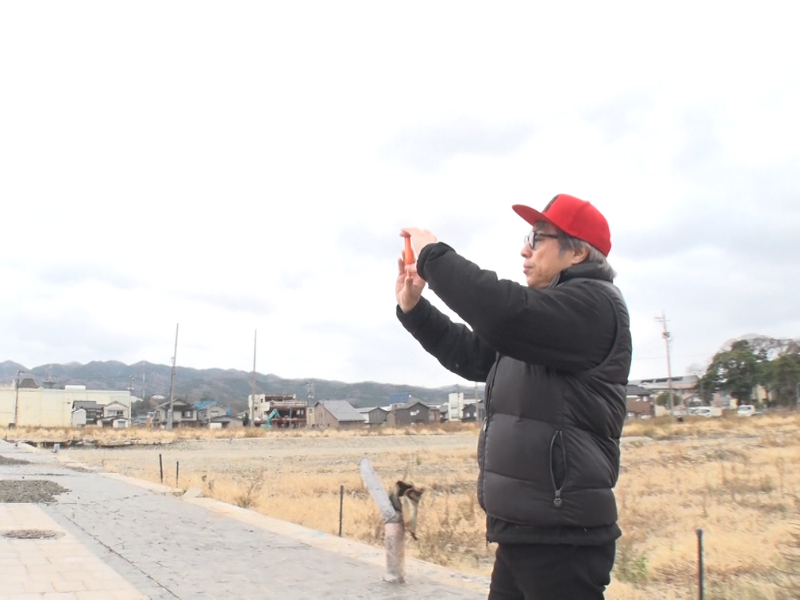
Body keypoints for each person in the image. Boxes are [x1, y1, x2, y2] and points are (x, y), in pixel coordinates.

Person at [395, 194, 631, 599]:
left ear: (576, 251)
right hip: (527, 531)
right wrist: (415, 309)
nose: (525, 248)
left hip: (563, 538)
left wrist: (434, 256)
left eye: (538, 238)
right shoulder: (542, 322)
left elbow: (502, 313)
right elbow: (475, 354)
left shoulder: (594, 306)